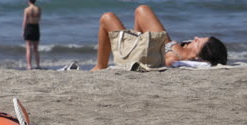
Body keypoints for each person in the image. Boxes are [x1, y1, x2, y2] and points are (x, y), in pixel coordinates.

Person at [91, 5, 227, 71]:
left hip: (137, 55)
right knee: (140, 11)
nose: (195, 38)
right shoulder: (181, 52)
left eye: (198, 42)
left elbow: (164, 64)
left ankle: (100, 66)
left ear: (198, 57)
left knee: (107, 18)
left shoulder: (175, 58)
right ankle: (132, 43)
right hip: (144, 47)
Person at [23, 0, 41, 70]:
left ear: (29, 1)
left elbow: (25, 21)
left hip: (29, 27)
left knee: (28, 47)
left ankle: (29, 65)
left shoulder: (27, 9)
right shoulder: (38, 9)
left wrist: (23, 30)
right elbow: (39, 19)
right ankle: (38, 65)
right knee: (36, 48)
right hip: (36, 27)